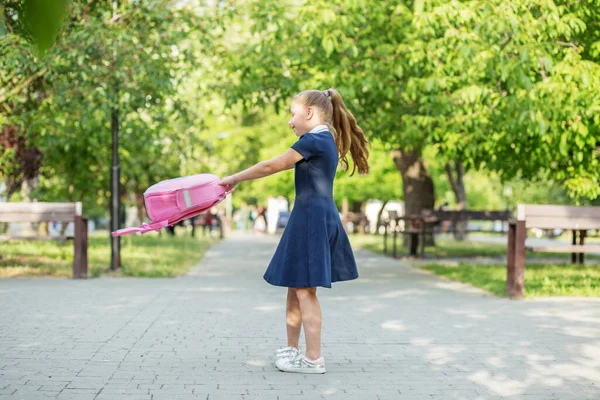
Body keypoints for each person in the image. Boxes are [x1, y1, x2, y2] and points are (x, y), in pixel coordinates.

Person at [218, 88, 369, 374]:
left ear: (309, 113)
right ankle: (292, 351)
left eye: (292, 113)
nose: (290, 121)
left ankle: (313, 360)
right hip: (308, 216)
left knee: (306, 290)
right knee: (296, 285)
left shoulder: (314, 139)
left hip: (312, 219)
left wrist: (233, 179)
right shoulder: (322, 139)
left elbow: (271, 166)